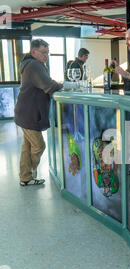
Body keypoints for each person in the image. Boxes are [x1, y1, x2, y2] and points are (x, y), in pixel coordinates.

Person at [14, 39, 63, 186]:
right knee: (39, 145)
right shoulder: (34, 65)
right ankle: (28, 173)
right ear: (33, 52)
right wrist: (62, 85)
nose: (46, 55)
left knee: (27, 146)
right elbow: (48, 85)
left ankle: (25, 178)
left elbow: (45, 82)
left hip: (25, 112)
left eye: (47, 52)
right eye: (43, 52)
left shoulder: (32, 64)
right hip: (28, 114)